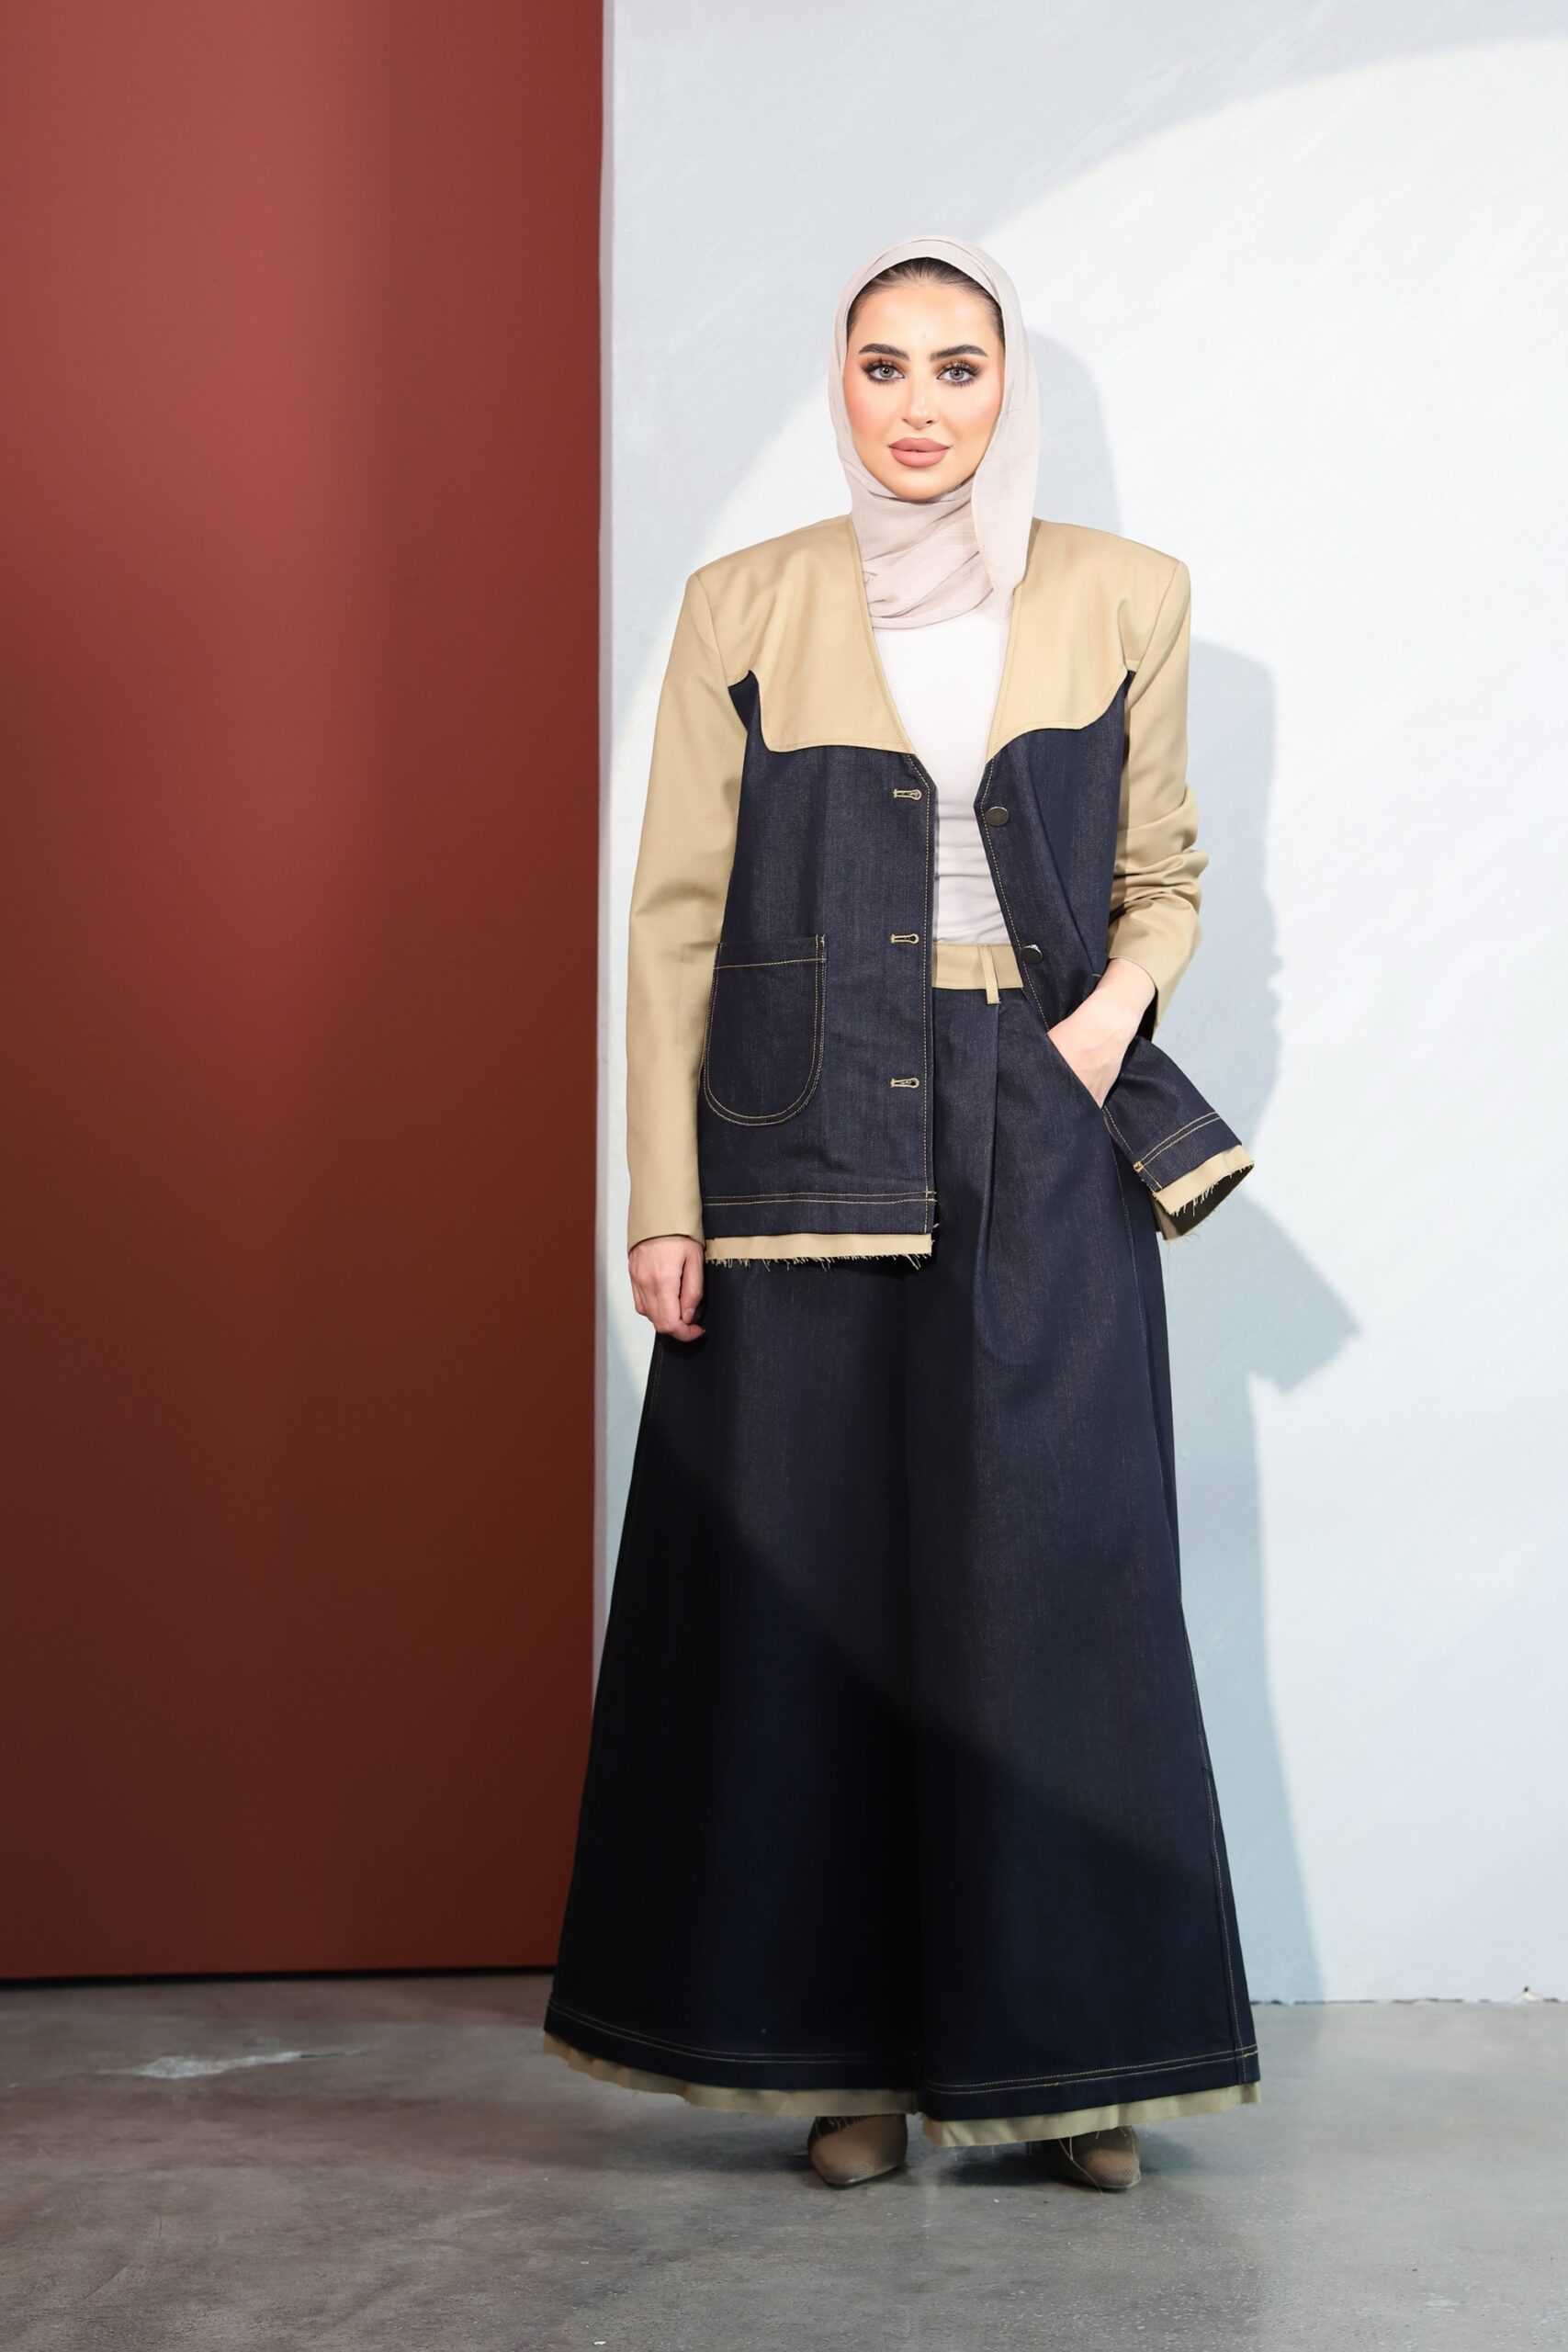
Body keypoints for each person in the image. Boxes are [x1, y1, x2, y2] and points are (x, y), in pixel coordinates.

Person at [543, 234, 1261, 2194]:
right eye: (883, 364)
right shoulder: (745, 602)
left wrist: (1101, 1022)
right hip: (792, 1141)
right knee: (817, 1603)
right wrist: (661, 1195)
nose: (920, 403)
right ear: (839, 383)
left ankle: (1073, 2069)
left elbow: (1166, 872)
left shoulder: (1125, 591)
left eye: (958, 365)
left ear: (1005, 386)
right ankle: (840, 2059)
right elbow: (673, 916)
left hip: (1041, 1111)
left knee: (1056, 1586)